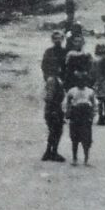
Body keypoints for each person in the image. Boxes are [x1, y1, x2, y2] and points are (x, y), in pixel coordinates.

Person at [40, 31, 68, 162]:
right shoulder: (49, 52)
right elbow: (44, 67)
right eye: (55, 38)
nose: (57, 40)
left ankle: (50, 151)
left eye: (59, 38)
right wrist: (49, 78)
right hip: (54, 90)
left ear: (62, 39)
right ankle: (51, 152)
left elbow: (68, 68)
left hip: (60, 87)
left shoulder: (65, 52)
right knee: (55, 126)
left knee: (56, 127)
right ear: (52, 39)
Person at [62, 74, 98, 166]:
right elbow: (66, 103)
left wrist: (92, 116)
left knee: (86, 139)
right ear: (76, 81)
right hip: (75, 116)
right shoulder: (72, 91)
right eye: (79, 80)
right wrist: (67, 113)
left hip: (85, 117)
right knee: (74, 138)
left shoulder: (90, 92)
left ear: (86, 82)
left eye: (83, 81)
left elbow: (95, 104)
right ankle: (74, 158)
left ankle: (86, 159)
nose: (81, 82)